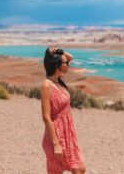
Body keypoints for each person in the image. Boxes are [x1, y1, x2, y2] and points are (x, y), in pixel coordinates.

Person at [41, 46, 86, 174]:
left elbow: (70, 57)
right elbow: (46, 117)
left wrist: (59, 51)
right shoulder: (47, 85)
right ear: (57, 66)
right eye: (65, 63)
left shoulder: (59, 81)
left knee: (80, 169)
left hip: (68, 134)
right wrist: (56, 144)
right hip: (55, 137)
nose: (68, 64)